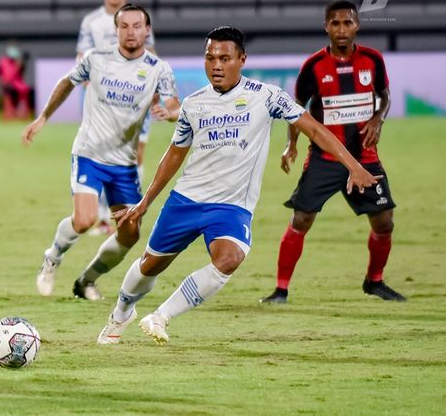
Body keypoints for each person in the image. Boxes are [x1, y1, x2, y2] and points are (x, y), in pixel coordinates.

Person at [96, 26, 381, 346]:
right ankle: (121, 313)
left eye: (224, 58)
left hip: (232, 206)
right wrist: (146, 200)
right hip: (186, 200)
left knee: (229, 258)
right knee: (150, 266)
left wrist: (354, 167)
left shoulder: (266, 96)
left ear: (242, 59)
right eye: (210, 58)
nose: (216, 65)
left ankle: (161, 316)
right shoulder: (194, 104)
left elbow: (315, 130)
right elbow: (175, 154)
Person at [22, 4, 180, 301]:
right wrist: (43, 117)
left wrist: (169, 113)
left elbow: (174, 104)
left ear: (147, 30)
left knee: (130, 233)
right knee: (85, 219)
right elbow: (67, 82)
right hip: (89, 153)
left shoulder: (159, 68)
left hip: (124, 164)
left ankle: (86, 281)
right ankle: (52, 258)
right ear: (116, 29)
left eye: (137, 26)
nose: (131, 31)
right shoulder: (97, 58)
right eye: (125, 26)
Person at [261, 0, 405, 304]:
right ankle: (281, 290)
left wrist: (379, 117)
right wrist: (292, 144)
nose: (342, 29)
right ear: (326, 26)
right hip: (324, 159)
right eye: (335, 23)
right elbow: (295, 109)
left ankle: (374, 282)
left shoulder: (373, 60)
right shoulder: (314, 66)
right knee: (302, 219)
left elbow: (384, 95)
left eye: (348, 22)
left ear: (357, 26)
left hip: (365, 158)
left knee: (384, 221)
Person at [77, 0, 160, 235]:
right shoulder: (91, 22)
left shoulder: (138, 19)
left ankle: (125, 212)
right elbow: (83, 60)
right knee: (103, 160)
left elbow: (151, 54)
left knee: (134, 159)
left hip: (135, 104)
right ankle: (101, 216)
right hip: (104, 108)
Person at [0, 41, 32, 120]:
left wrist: (20, 63)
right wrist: (3, 83)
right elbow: (0, 74)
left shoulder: (18, 62)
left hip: (18, 86)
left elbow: (20, 73)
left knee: (24, 94)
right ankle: (9, 116)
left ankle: (23, 114)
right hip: (7, 85)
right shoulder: (2, 61)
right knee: (8, 100)